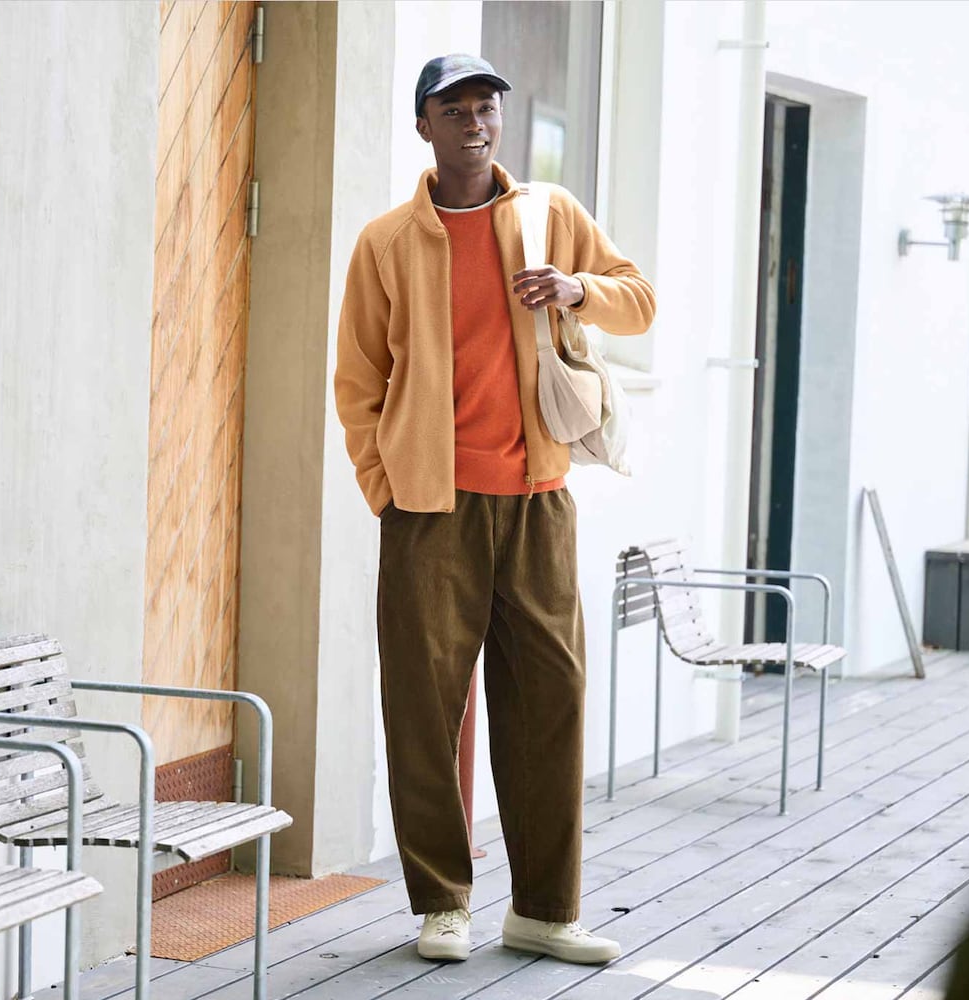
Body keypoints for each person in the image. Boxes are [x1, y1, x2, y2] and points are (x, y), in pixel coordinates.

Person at [333, 54, 657, 966]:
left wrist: (577, 289)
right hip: (430, 508)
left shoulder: (549, 215)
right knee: (425, 708)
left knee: (550, 700)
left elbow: (641, 301)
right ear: (423, 126)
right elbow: (359, 377)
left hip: (539, 501)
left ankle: (546, 910)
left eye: (488, 107)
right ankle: (443, 901)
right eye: (455, 108)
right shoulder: (388, 241)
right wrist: (382, 484)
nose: (476, 122)